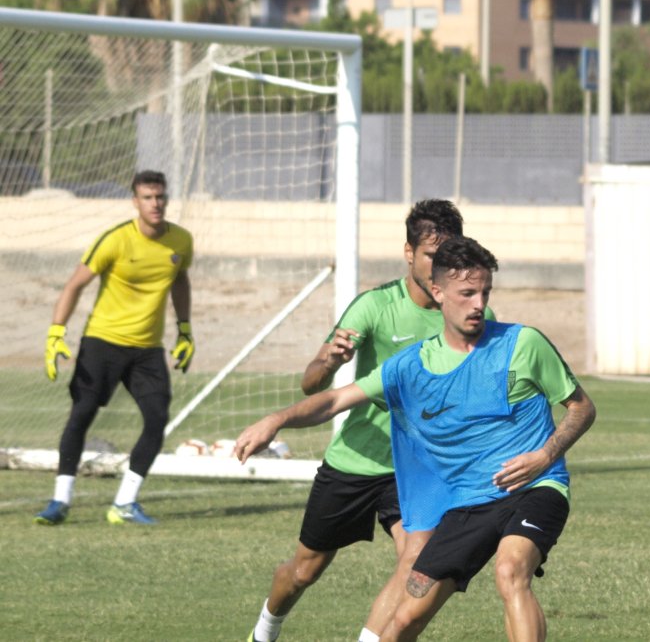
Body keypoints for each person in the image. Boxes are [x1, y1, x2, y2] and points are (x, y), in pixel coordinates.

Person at [235, 236, 596, 642]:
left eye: (485, 292)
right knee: (404, 622)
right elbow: (335, 398)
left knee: (511, 571)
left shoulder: (523, 343)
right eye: (467, 293)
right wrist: (276, 419)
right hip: (467, 503)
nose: (479, 303)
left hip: (535, 487)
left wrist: (546, 456)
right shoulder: (411, 365)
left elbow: (582, 408)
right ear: (438, 292)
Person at [245, 200, 490, 642]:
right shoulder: (375, 307)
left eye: (452, 255)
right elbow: (312, 383)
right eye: (434, 256)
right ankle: (264, 630)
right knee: (302, 572)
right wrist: (330, 361)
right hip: (357, 460)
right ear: (409, 253)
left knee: (416, 560)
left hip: (416, 470)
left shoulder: (471, 314)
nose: (443, 267)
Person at [35, 170, 194, 527]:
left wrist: (185, 330)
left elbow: (180, 280)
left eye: (160, 197)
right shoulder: (115, 240)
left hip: (148, 350)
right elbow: (74, 285)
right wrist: (55, 333)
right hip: (102, 343)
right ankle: (60, 500)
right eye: (148, 198)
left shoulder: (180, 241)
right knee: (82, 414)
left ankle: (124, 502)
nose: (156, 204)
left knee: (157, 418)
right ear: (135, 202)